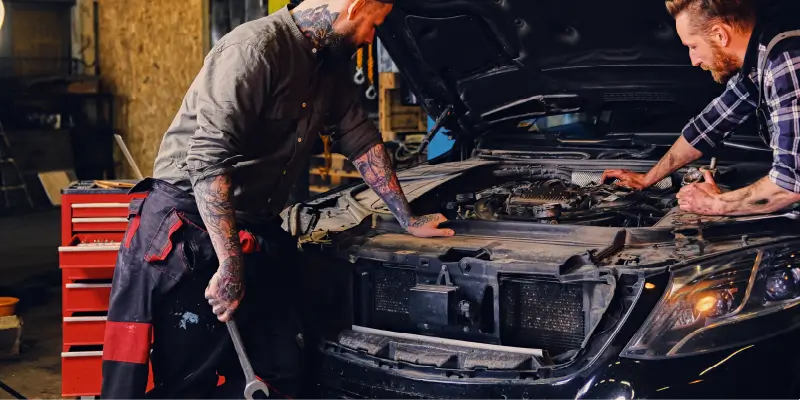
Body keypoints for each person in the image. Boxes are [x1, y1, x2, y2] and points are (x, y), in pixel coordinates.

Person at [99, 0, 455, 398]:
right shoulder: (254, 49)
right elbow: (208, 162)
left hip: (253, 225)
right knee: (190, 377)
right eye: (374, 24)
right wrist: (230, 267)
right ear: (354, 7)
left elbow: (361, 142)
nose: (372, 37)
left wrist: (408, 218)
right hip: (190, 229)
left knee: (280, 367)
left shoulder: (327, 67)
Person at [602, 0, 800, 216]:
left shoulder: (787, 61)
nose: (693, 60)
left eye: (693, 46)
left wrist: (715, 204)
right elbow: (705, 128)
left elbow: (790, 184)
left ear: (719, 34)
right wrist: (647, 178)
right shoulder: (757, 64)